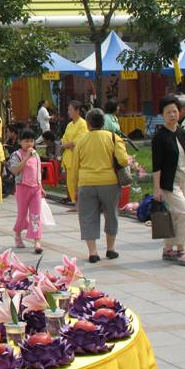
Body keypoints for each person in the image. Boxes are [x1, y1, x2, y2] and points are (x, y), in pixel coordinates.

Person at [69, 108, 128, 263]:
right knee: (111, 214)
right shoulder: (114, 138)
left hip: (86, 183)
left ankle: (93, 252)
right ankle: (110, 249)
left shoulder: (81, 141)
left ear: (88, 124)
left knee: (88, 217)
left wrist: (74, 187)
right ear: (103, 122)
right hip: (109, 182)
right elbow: (123, 161)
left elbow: (75, 166)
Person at [153, 94, 185, 266]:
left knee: (175, 215)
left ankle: (167, 249)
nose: (172, 115)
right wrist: (157, 188)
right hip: (169, 183)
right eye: (168, 112)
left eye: (175, 111)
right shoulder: (159, 137)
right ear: (162, 114)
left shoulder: (183, 133)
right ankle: (181, 249)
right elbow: (157, 165)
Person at [8, 128, 45, 254]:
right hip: (22, 188)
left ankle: (37, 242)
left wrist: (41, 186)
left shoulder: (36, 154)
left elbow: (38, 170)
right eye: (26, 141)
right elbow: (14, 170)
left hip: (35, 189)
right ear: (20, 142)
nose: (29, 144)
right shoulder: (16, 155)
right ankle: (18, 234)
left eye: (31, 141)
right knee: (22, 215)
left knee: (36, 215)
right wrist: (26, 158)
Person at [61, 101, 88, 206]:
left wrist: (68, 144)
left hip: (76, 157)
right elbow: (64, 139)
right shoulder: (69, 125)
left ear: (77, 111)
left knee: (76, 181)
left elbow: (78, 141)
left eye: (70, 110)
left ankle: (78, 203)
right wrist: (67, 144)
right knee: (70, 182)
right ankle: (74, 202)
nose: (68, 112)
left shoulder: (83, 124)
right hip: (68, 157)